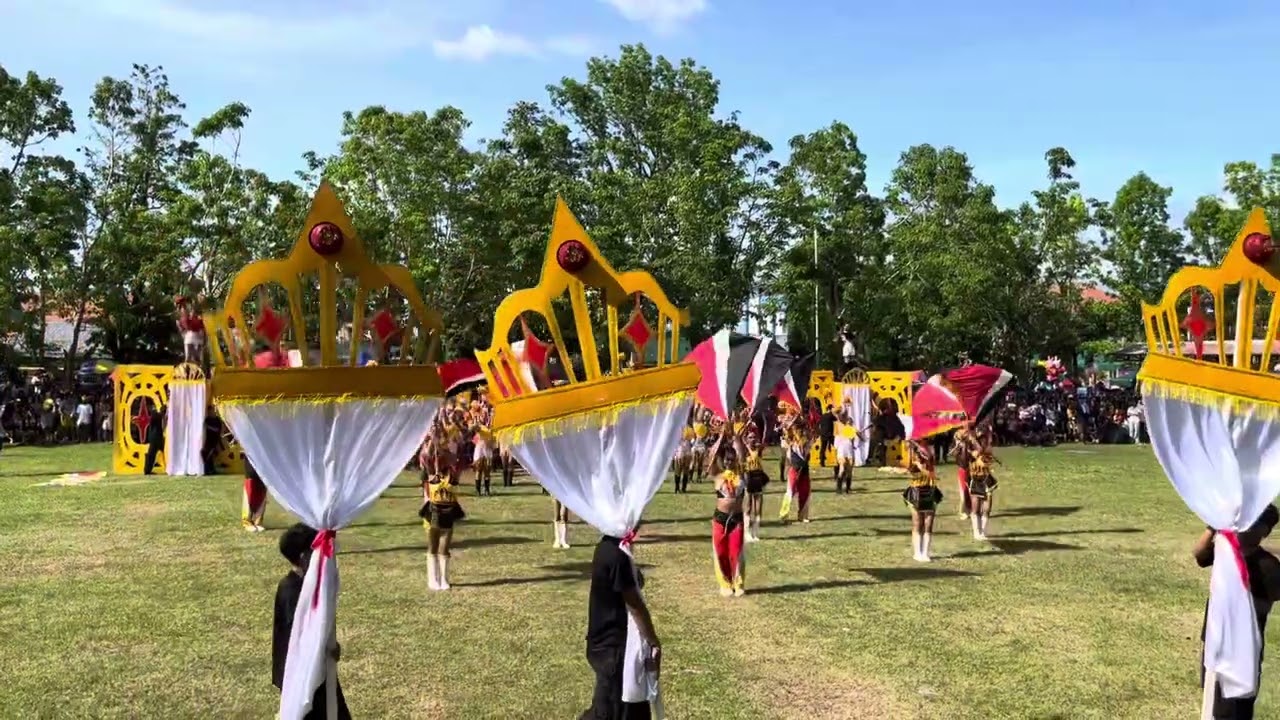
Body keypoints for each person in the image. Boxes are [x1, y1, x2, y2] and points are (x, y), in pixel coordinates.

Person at [1193, 506, 1280, 720]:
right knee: (1213, 697)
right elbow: (1199, 554)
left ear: (1264, 531)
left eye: (1252, 523)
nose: (1244, 527)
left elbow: (1270, 600)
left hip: (1244, 647)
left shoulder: (1269, 565)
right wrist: (1212, 527)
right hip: (1216, 639)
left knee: (1238, 705)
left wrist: (1239, 601)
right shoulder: (1226, 551)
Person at [273, 524, 350, 719]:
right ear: (303, 557)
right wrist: (324, 648)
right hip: (305, 672)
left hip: (318, 668)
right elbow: (298, 636)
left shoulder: (308, 585)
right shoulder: (293, 590)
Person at [583, 532, 660, 719]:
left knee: (634, 708)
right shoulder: (616, 554)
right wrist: (653, 641)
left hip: (615, 644)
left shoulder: (609, 545)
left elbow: (632, 582)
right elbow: (634, 605)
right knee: (609, 711)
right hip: (613, 649)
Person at [419, 437, 464, 591]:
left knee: (444, 548)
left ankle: (444, 579)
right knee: (433, 546)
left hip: (449, 512)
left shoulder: (453, 474)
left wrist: (445, 450)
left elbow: (457, 459)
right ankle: (433, 579)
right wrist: (433, 440)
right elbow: (427, 456)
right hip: (434, 512)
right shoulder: (433, 472)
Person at [709, 444, 747, 597]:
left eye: (731, 459)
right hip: (720, 519)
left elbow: (742, 453)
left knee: (736, 552)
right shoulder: (718, 475)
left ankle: (738, 584)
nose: (729, 462)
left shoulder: (741, 475)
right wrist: (720, 437)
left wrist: (737, 438)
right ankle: (725, 584)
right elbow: (712, 456)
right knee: (721, 552)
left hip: (736, 519)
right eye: (726, 459)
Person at [902, 443, 941, 562]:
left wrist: (923, 463)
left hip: (930, 492)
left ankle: (925, 553)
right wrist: (910, 448)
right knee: (917, 523)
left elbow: (933, 475)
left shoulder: (929, 460)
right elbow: (908, 467)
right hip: (916, 492)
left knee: (928, 524)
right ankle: (917, 552)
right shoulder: (912, 461)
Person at [742, 434, 769, 542]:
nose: (753, 439)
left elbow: (764, 442)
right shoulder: (744, 451)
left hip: (758, 477)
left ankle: (756, 532)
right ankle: (746, 532)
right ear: (746, 439)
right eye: (750, 437)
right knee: (748, 507)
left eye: (754, 437)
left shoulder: (758, 449)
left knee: (758, 508)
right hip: (749, 477)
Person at [242, 456, 268, 532]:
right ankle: (247, 521)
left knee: (263, 482)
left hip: (264, 452)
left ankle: (258, 521)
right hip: (251, 451)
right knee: (250, 483)